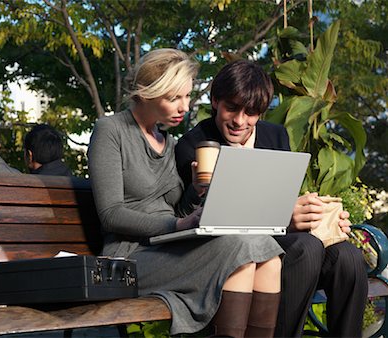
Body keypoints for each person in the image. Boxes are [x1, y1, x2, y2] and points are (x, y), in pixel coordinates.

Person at [88, 48, 284, 337]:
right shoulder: (110, 130)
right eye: (174, 98)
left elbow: (177, 210)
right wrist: (178, 225)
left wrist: (196, 191)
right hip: (128, 256)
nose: (184, 107)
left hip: (167, 245)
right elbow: (110, 214)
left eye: (187, 96)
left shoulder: (167, 141)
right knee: (240, 249)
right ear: (149, 93)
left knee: (267, 253)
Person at [175, 59, 368, 337]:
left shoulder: (276, 136)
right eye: (232, 108)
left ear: (262, 112)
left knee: (348, 257)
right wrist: (285, 219)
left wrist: (321, 217)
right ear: (215, 101)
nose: (240, 121)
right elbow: (206, 219)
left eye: (251, 112)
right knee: (306, 247)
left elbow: (284, 196)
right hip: (232, 252)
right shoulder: (194, 145)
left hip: (280, 241)